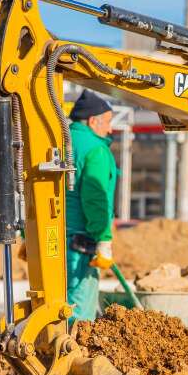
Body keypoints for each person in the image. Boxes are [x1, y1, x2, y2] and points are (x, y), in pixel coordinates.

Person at [65, 89, 118, 323]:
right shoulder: (95, 149)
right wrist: (103, 238)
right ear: (93, 121)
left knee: (52, 307)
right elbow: (95, 198)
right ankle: (70, 357)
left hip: (49, 242)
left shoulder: (54, 139)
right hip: (79, 244)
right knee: (78, 314)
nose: (110, 129)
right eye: (107, 122)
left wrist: (27, 235)